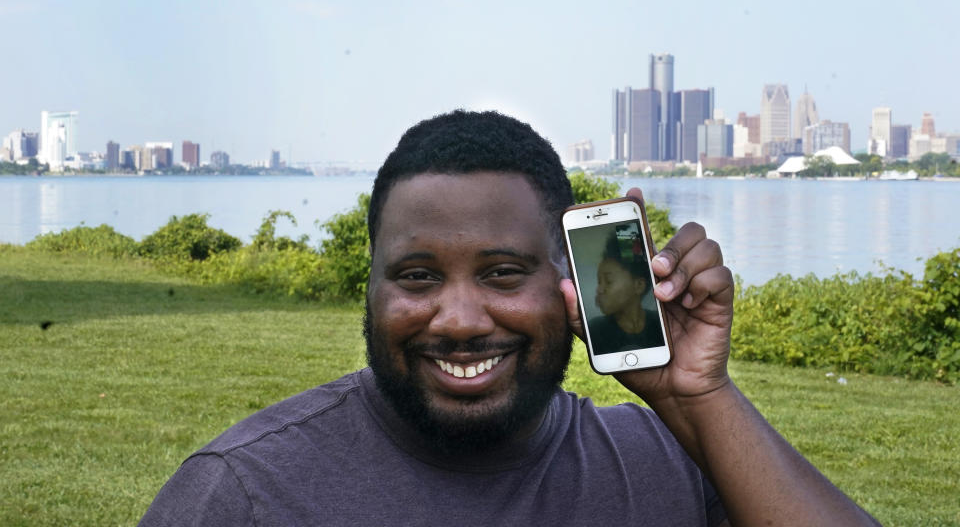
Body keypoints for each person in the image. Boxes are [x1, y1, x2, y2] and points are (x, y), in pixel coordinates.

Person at [139, 110, 879, 526]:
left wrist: (701, 399)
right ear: (369, 290)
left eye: (501, 273)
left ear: (572, 281)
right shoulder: (244, 493)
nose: (459, 320)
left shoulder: (663, 464)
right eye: (418, 276)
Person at [589, 232, 665, 353]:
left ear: (638, 286)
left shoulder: (661, 324)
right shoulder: (594, 329)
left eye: (608, 281)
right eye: (599, 282)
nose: (599, 289)